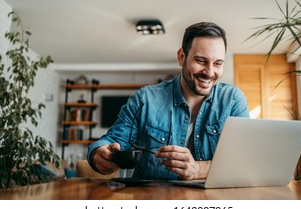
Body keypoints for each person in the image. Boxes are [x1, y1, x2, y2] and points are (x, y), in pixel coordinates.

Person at [87, 22, 249, 180]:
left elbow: (244, 160)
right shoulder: (145, 99)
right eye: (201, 61)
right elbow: (111, 141)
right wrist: (98, 154)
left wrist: (198, 169)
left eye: (218, 63)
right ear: (181, 57)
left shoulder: (233, 100)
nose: (210, 72)